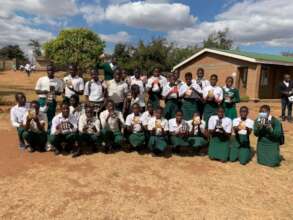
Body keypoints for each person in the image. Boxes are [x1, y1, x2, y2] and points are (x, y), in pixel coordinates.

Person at [35, 64, 63, 131]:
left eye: (52, 70)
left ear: (54, 71)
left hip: (52, 100)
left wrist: (55, 92)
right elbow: (36, 91)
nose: (50, 71)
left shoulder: (58, 81)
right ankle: (40, 132)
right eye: (48, 70)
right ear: (46, 71)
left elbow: (60, 92)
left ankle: (49, 133)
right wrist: (44, 92)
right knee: (40, 117)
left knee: (51, 117)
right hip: (42, 100)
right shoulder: (41, 79)